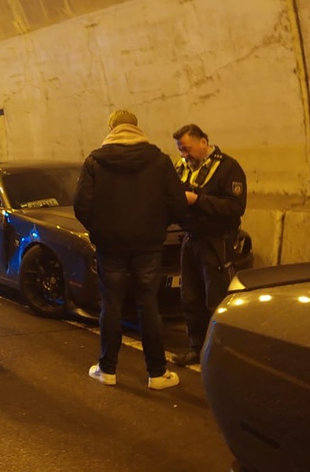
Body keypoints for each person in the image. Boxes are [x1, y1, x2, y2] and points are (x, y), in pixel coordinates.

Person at [74, 109, 187, 390]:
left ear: (111, 129)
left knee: (111, 306)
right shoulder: (159, 160)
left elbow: (81, 206)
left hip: (110, 247)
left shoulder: (94, 161)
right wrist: (156, 226)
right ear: (136, 127)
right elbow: (177, 204)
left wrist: (101, 230)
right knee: (148, 306)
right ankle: (157, 374)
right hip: (148, 246)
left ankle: (107, 370)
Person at [171, 123, 247, 366]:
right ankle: (196, 347)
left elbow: (235, 207)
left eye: (187, 148)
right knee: (190, 298)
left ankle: (222, 354)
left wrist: (198, 200)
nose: (184, 154)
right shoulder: (181, 167)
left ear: (203, 142)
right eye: (181, 149)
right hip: (191, 239)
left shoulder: (228, 168)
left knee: (216, 298)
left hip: (216, 242)